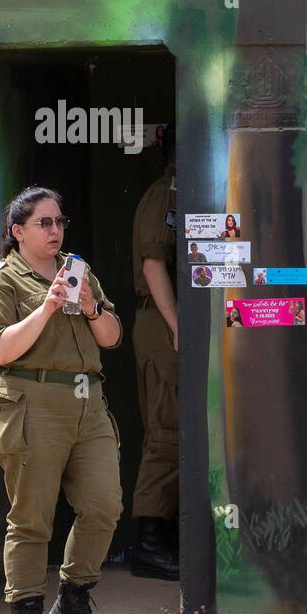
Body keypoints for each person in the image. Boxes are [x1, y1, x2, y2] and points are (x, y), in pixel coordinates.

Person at [0, 187, 125, 614]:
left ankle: (73, 600)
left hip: (87, 402)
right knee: (32, 515)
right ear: (17, 231)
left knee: (104, 504)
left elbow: (113, 336)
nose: (55, 230)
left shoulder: (79, 273)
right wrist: (47, 308)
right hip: (29, 401)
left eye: (59, 221)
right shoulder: (1, 281)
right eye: (44, 223)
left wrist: (90, 307)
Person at [130, 124, 180, 582]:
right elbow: (152, 263)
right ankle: (148, 544)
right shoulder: (165, 192)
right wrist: (175, 322)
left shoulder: (186, 187)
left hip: (166, 320)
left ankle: (162, 538)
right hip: (159, 320)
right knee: (167, 431)